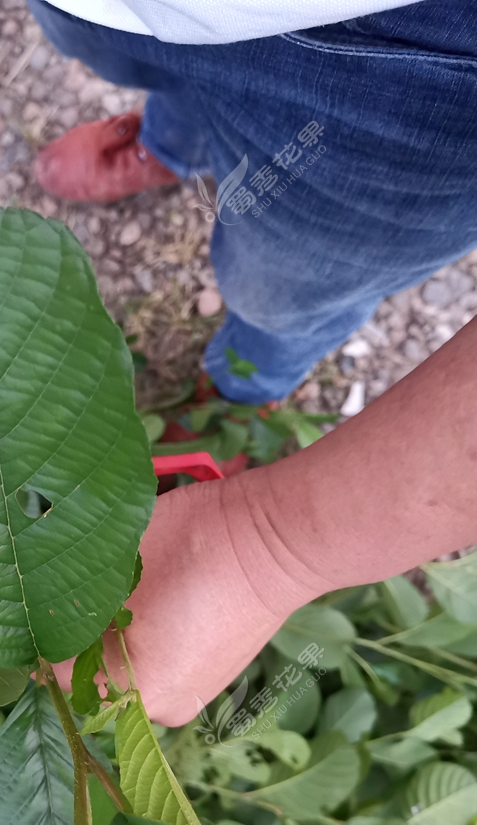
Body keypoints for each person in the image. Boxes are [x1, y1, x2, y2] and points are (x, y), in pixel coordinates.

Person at [35, 0, 477, 724]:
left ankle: (245, 384)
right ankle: (174, 142)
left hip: (416, 57)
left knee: (285, 286)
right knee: (136, 52)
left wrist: (260, 548)